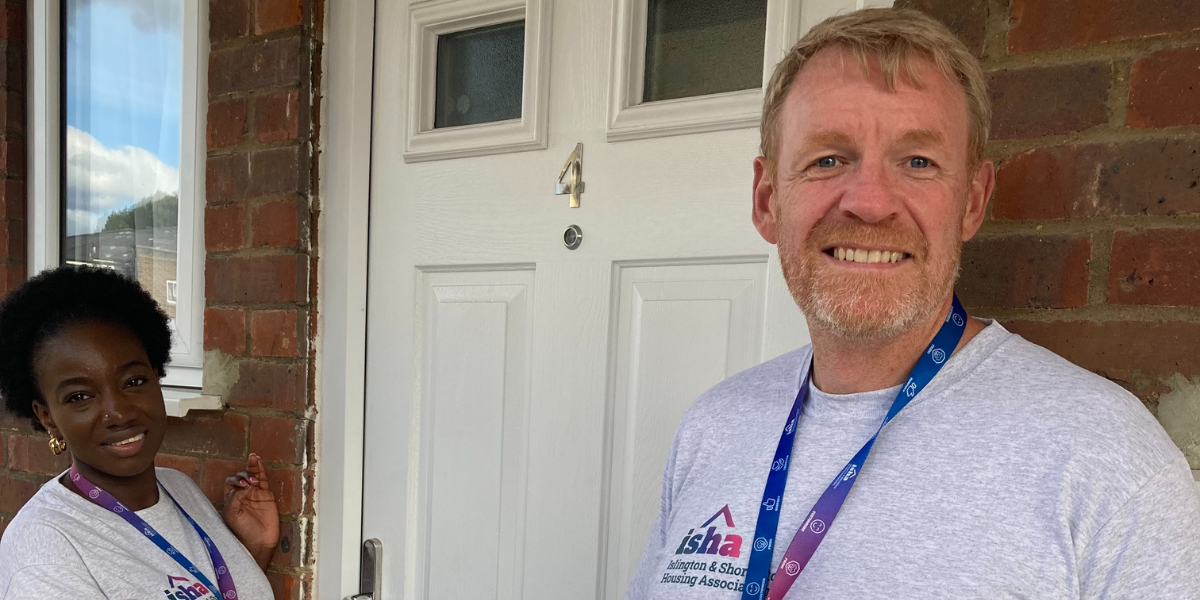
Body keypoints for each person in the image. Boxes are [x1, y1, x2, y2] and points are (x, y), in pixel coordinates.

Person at [625, 8, 1200, 600]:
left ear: (973, 202)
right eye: (828, 159)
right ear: (768, 199)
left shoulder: (1106, 458)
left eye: (918, 162)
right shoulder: (712, 428)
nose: (870, 202)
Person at [0, 265, 277, 599]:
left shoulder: (179, 488)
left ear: (156, 377)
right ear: (47, 416)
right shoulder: (44, 549)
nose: (118, 413)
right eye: (80, 397)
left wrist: (255, 549)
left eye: (134, 381)